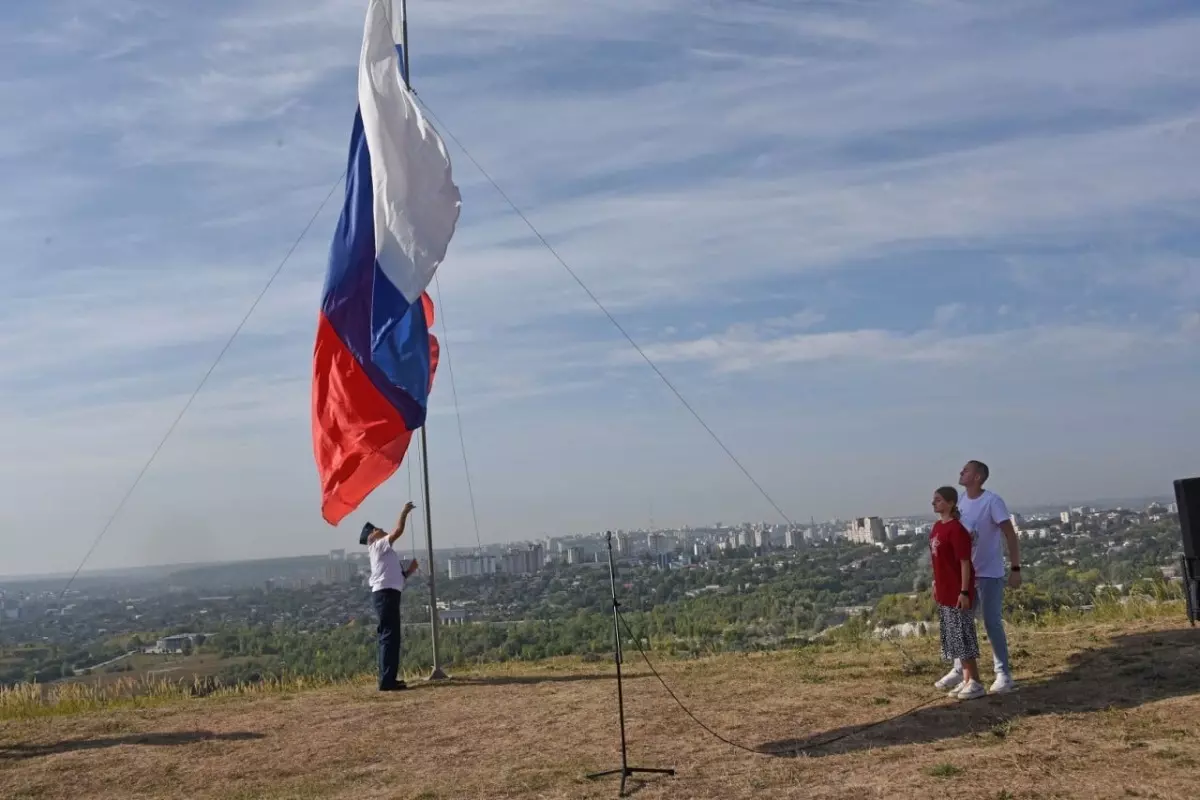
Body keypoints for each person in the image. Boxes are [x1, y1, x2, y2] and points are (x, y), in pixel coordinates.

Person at [934, 460, 1021, 695]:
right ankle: (961, 669)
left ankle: (1003, 673)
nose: (961, 472)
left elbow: (1010, 534)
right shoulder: (959, 500)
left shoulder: (992, 501)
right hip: (966, 575)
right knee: (961, 623)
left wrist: (1015, 568)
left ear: (978, 477)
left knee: (991, 622)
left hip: (988, 573)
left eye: (966, 470)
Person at [929, 486, 985, 700]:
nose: (934, 503)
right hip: (944, 589)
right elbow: (938, 561)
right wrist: (936, 582)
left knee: (963, 634)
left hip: (958, 590)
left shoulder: (957, 530)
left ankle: (975, 681)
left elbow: (965, 563)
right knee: (954, 637)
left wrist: (964, 591)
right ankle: (966, 678)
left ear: (951, 503)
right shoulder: (936, 527)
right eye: (933, 500)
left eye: (938, 500)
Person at [360, 502, 420, 691]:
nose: (381, 529)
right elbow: (398, 531)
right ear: (371, 537)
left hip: (389, 594)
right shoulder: (378, 546)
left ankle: (389, 678)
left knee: (391, 637)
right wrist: (404, 512)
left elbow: (396, 578)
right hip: (385, 595)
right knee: (389, 637)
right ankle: (387, 681)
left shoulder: (385, 552)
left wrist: (409, 571)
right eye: (377, 530)